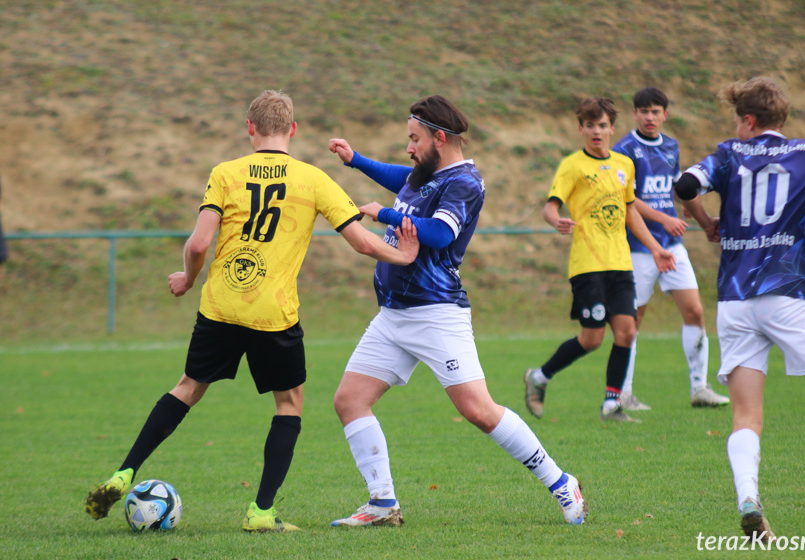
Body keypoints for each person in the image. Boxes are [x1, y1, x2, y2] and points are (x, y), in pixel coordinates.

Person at [84, 90, 420, 533]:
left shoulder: (225, 173)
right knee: (289, 404)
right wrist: (405, 256)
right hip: (274, 314)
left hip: (220, 305)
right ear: (292, 131)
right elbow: (360, 241)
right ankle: (260, 512)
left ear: (250, 128)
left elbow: (200, 243)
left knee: (187, 388)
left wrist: (187, 278)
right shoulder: (313, 179)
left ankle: (124, 472)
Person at [326, 95, 586, 527]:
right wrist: (356, 160)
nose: (409, 148)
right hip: (393, 316)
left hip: (435, 314)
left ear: (439, 139)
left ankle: (561, 481)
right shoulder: (428, 174)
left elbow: (440, 233)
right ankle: (383, 504)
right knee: (350, 401)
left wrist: (384, 214)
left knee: (478, 410)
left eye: (414, 139)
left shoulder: (464, 182)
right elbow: (404, 180)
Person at [675, 76, 805, 541]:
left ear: (749, 120)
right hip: (788, 296)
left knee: (746, 417)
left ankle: (748, 500)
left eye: (738, 120)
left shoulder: (728, 154)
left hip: (735, 302)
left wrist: (705, 222)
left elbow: (684, 185)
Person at [524, 97, 676, 423]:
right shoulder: (572, 165)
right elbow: (551, 207)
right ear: (581, 129)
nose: (597, 131)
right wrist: (556, 221)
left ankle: (611, 405)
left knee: (626, 332)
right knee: (592, 339)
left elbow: (630, 211)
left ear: (611, 129)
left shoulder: (624, 165)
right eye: (590, 125)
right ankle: (539, 376)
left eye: (603, 125)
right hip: (588, 266)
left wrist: (654, 248)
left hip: (621, 263)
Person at [611, 87, 729, 410]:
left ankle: (699, 388)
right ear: (635, 114)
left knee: (695, 310)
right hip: (637, 246)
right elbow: (628, 200)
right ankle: (624, 393)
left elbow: (677, 187)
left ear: (666, 114)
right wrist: (665, 218)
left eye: (656, 111)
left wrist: (697, 212)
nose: (650, 117)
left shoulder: (671, 145)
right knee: (632, 320)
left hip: (672, 245)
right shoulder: (624, 149)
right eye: (644, 111)